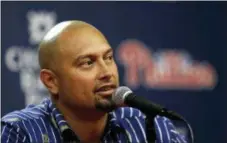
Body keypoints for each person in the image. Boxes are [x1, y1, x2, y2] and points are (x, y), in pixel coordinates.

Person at [1, 20, 188, 143]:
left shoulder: (151, 127)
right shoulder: (20, 132)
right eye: (88, 63)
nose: (107, 72)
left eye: (108, 58)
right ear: (51, 81)